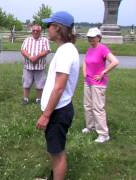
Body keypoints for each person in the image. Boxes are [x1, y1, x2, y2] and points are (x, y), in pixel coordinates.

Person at [36, 11, 80, 180]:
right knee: (54, 150)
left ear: (58, 28)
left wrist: (46, 115)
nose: (47, 29)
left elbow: (59, 87)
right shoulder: (65, 50)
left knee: (58, 154)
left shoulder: (65, 52)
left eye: (50, 25)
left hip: (58, 112)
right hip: (58, 109)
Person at [82, 27, 119, 143]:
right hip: (88, 81)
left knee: (98, 108)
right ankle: (90, 127)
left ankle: (103, 134)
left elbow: (115, 62)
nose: (91, 40)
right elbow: (85, 61)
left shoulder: (102, 49)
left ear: (99, 37)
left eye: (93, 38)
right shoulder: (89, 49)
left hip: (98, 83)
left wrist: (103, 72)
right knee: (88, 106)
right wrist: (84, 73)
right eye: (89, 38)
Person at [21, 24, 51, 105]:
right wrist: (30, 57)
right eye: (33, 30)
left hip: (40, 67)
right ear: (31, 31)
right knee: (26, 83)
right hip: (28, 66)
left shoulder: (44, 40)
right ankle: (25, 99)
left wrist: (37, 57)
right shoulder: (27, 40)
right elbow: (22, 50)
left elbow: (47, 50)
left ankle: (38, 99)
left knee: (40, 84)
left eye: (37, 30)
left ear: (40, 31)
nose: (35, 32)